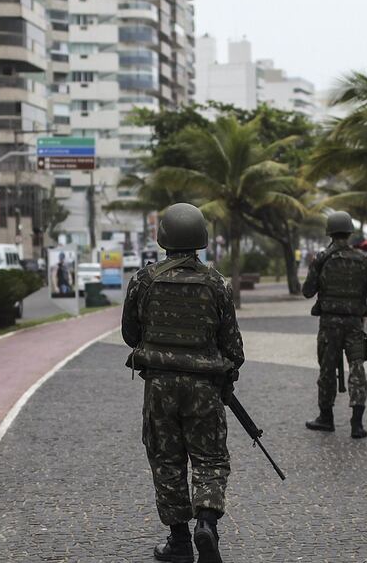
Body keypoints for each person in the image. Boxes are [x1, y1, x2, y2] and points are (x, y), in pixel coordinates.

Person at [122, 202, 244, 563]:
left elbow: (130, 335)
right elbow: (234, 349)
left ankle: (179, 542)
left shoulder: (144, 281)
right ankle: (206, 524)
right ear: (201, 239)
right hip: (204, 389)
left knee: (167, 460)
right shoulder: (217, 284)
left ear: (163, 239)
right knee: (209, 459)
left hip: (159, 388)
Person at [302, 212, 367, 439]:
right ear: (349, 233)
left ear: (330, 232)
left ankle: (326, 419)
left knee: (326, 372)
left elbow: (307, 291)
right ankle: (357, 425)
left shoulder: (321, 259)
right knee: (357, 369)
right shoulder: (364, 260)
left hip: (329, 325)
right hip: (354, 325)